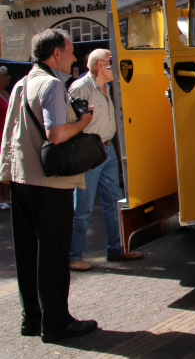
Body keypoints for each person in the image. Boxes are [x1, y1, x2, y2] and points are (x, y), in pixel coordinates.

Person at [0, 29, 98, 342]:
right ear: (56, 54)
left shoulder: (22, 83)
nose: (74, 57)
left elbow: (11, 133)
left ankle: (32, 318)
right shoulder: (52, 84)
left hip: (21, 177)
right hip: (49, 180)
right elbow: (55, 134)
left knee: (27, 251)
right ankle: (56, 322)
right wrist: (82, 123)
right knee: (53, 252)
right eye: (70, 51)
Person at [68, 49, 143, 271]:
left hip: (107, 150)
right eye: (112, 63)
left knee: (114, 201)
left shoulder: (108, 87)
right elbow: (70, 122)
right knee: (83, 207)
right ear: (100, 65)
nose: (117, 67)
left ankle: (116, 248)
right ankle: (73, 256)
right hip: (88, 153)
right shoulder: (80, 88)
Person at [0, 67, 9, 210]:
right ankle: (1, 199)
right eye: (6, 75)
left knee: (7, 166)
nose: (9, 77)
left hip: (6, 135)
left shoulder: (6, 93)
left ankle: (8, 197)